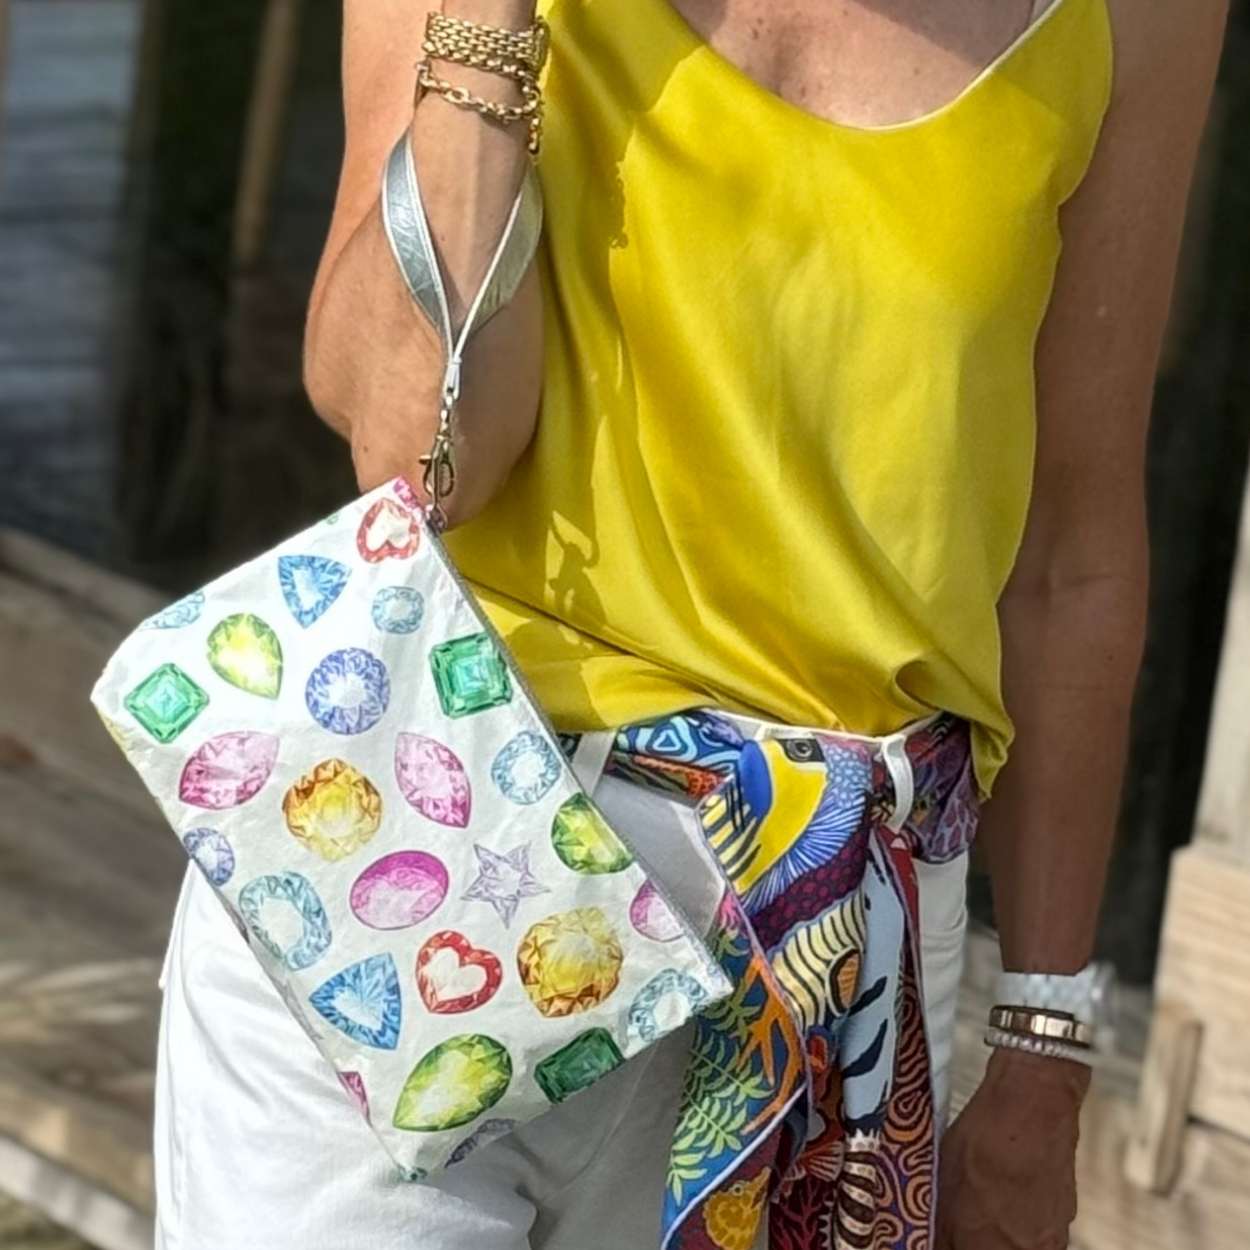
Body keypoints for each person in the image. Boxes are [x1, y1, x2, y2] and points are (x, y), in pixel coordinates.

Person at [154, 1, 1229, 1248]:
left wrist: (1042, 1048)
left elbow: (1070, 557)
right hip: (427, 839)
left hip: (829, 949)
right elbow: (414, 458)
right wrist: (486, 37)